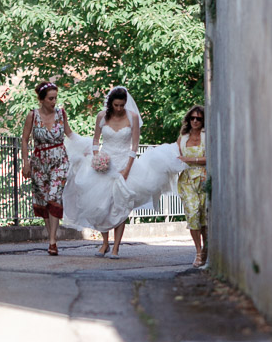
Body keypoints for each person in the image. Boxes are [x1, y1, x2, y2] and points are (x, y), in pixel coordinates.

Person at [62, 86, 185, 259]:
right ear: (111, 104)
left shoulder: (132, 117)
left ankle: (116, 247)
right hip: (105, 163)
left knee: (121, 205)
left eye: (122, 105)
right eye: (116, 105)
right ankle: (104, 243)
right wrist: (97, 157)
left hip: (125, 163)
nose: (119, 108)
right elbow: (96, 141)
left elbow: (134, 146)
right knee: (101, 205)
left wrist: (127, 169)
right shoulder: (101, 116)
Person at [21, 81, 75, 256]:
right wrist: (26, 163)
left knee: (54, 196)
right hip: (39, 162)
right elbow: (24, 139)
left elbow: (70, 134)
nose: (54, 102)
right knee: (44, 201)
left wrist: (90, 147)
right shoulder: (32, 116)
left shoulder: (61, 114)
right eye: (51, 99)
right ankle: (51, 238)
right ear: (42, 99)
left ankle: (52, 241)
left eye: (55, 98)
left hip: (59, 160)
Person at [177, 106, 208, 267]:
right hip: (187, 179)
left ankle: (206, 250)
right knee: (193, 212)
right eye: (192, 118)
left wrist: (191, 159)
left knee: (204, 217)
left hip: (203, 178)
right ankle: (197, 251)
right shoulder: (183, 137)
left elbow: (210, 157)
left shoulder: (206, 136)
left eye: (199, 118)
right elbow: (175, 155)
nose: (195, 121)